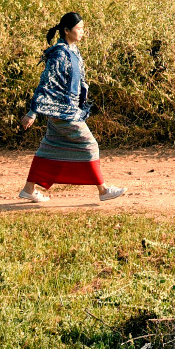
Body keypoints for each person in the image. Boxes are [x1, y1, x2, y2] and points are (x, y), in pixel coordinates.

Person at [17, 12, 125, 205]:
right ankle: (103, 190)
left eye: (83, 28)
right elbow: (47, 83)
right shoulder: (59, 53)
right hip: (63, 112)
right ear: (67, 30)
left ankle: (28, 190)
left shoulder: (71, 50)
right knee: (90, 145)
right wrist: (33, 111)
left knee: (48, 149)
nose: (82, 32)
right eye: (79, 29)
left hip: (66, 110)